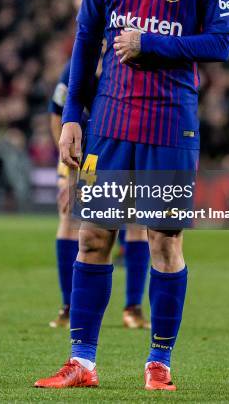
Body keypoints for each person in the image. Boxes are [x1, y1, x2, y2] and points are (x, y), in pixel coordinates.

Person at [35, 0, 229, 391]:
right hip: (110, 125)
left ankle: (159, 363)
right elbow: (84, 43)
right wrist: (73, 117)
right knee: (93, 238)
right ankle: (82, 362)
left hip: (171, 125)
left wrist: (153, 43)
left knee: (164, 241)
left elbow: (222, 41)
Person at [49, 55, 150, 329]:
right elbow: (57, 114)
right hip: (82, 153)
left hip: (122, 147)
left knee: (137, 221)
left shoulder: (134, 64)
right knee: (71, 219)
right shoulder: (75, 68)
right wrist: (70, 172)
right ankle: (68, 307)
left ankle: (133, 308)